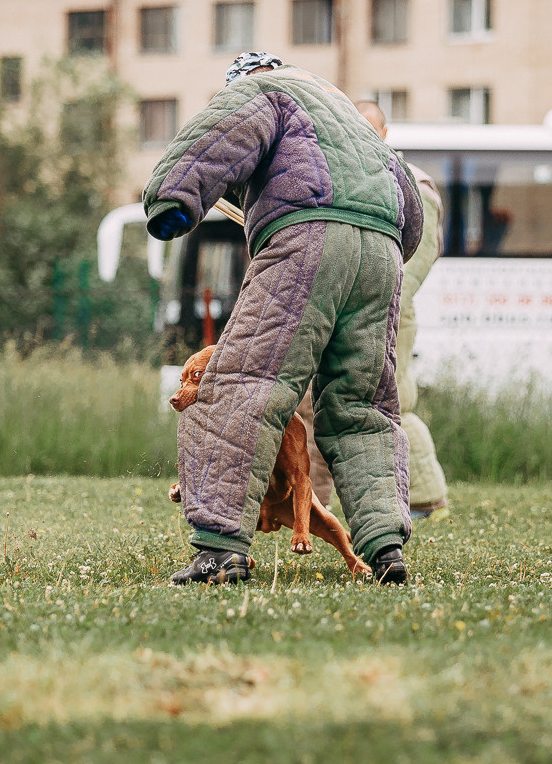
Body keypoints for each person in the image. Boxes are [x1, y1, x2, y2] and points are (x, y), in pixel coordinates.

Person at [144, 52, 424, 585]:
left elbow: (219, 131)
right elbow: (408, 207)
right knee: (363, 406)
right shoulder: (342, 111)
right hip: (382, 251)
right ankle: (386, 547)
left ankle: (220, 551)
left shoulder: (263, 89)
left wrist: (171, 198)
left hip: (308, 241)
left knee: (242, 385)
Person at [353, 100, 450, 521]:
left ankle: (427, 499)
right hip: (374, 306)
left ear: (385, 134)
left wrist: (383, 303)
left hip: (392, 309)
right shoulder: (364, 176)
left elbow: (419, 259)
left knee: (396, 403)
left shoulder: (414, 184)